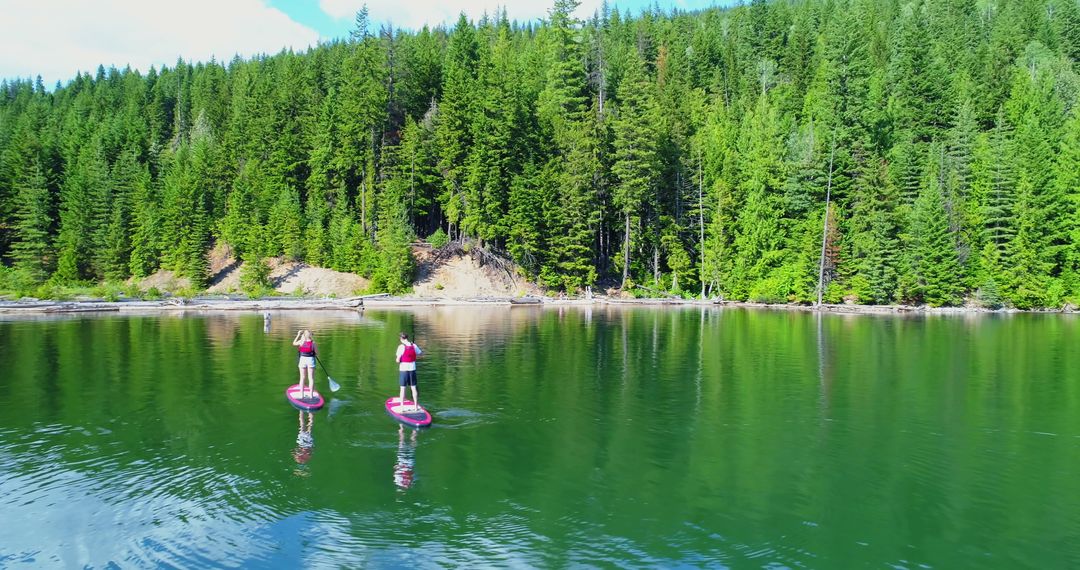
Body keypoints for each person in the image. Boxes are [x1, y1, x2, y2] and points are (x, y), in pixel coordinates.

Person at [395, 332, 422, 411]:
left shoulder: (401, 347)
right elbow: (420, 353)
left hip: (403, 370)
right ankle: (416, 406)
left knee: (402, 389)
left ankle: (402, 407)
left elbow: (397, 360)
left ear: (401, 339)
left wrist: (398, 359)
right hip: (412, 369)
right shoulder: (414, 345)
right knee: (413, 388)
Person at [292, 329, 317, 399]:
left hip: (302, 360)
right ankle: (311, 395)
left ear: (304, 335)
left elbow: (293, 343)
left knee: (302, 378)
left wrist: (298, 335)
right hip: (310, 360)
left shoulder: (301, 342)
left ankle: (301, 395)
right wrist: (314, 353)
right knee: (311, 378)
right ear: (310, 335)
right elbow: (316, 353)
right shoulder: (313, 343)